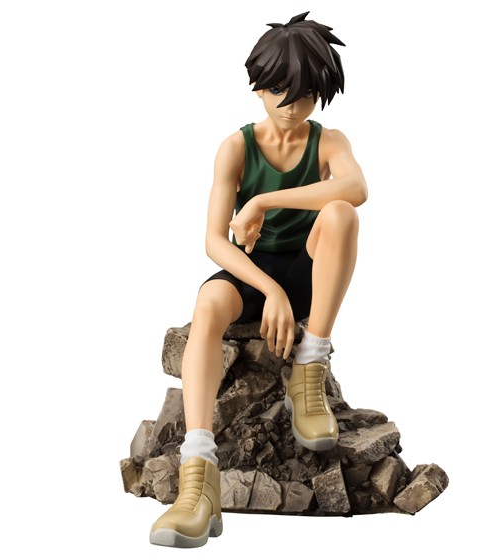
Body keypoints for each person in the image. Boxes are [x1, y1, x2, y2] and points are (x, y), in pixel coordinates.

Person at [149, 11, 368, 548]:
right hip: (252, 273)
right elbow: (214, 241)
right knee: (208, 304)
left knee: (342, 215)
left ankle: (309, 368)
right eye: (278, 91)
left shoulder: (328, 142)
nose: (291, 105)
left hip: (309, 271)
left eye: (305, 94)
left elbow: (357, 188)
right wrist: (268, 290)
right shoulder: (237, 147)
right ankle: (199, 478)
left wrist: (265, 200)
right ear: (258, 87)